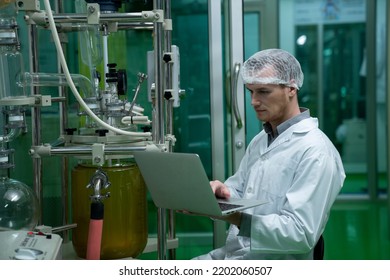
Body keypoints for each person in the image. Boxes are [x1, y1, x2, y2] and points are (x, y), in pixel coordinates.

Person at [193, 48, 346, 260]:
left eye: (263, 92)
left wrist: (239, 219)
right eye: (251, 92)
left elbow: (300, 234)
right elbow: (240, 190)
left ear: (291, 87)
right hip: (236, 254)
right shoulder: (261, 140)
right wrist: (222, 193)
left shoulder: (317, 151)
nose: (253, 101)